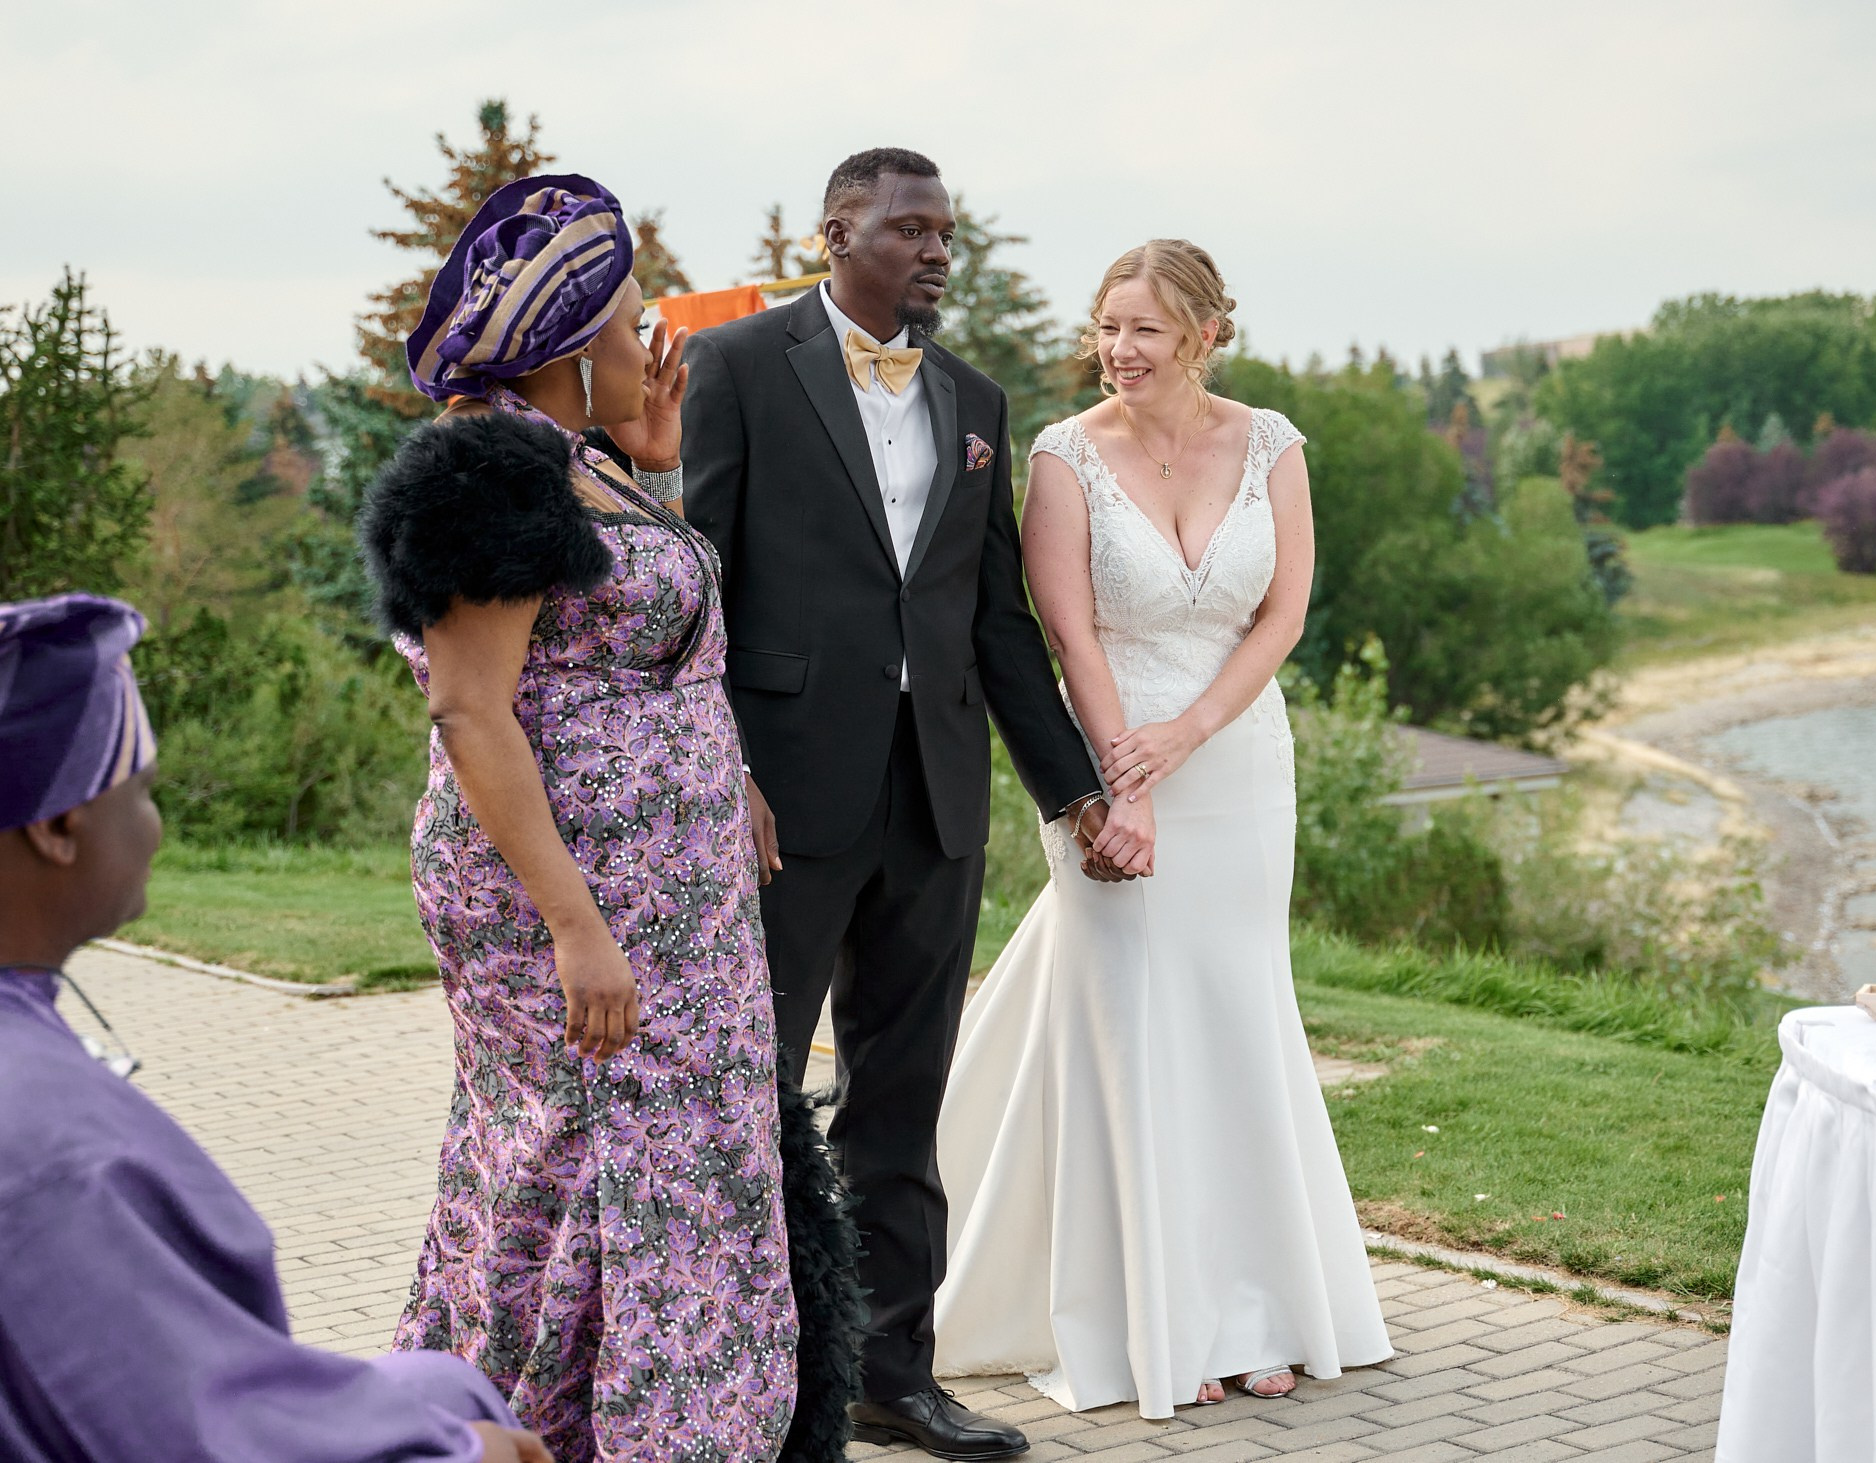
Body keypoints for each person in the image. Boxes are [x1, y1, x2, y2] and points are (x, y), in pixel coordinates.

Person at [358, 174, 857, 1463]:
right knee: (581, 1170)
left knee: (689, 1163)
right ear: (575, 349)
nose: (655, 343)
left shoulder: (585, 466)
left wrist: (658, 472)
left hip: (673, 905)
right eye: (635, 325)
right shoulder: (492, 472)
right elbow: (472, 713)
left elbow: (643, 647)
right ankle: (544, 1435)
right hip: (572, 905)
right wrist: (576, 925)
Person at [679, 147, 1142, 1460]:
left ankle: (896, 1376)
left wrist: (1078, 794)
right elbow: (695, 586)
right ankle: (755, 1382)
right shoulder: (738, 369)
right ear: (839, 232)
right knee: (754, 1096)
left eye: (947, 233)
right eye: (910, 230)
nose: (937, 251)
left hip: (935, 801)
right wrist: (727, 772)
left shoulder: (975, 397)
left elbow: (995, 622)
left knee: (902, 1100)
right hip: (781, 804)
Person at [930, 241, 1395, 1417]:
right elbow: (1068, 634)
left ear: (1200, 332)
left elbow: (1282, 611)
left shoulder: (1272, 443)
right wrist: (1117, 786)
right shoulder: (1060, 458)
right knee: (1135, 1027)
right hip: (1108, 760)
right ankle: (1156, 1315)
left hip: (1237, 761)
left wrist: (1190, 733)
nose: (1118, 350)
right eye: (1106, 326)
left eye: (1142, 328)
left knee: (1237, 1017)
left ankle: (1258, 1307)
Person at [0, 592, 551, 1463]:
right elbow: (191, 1437)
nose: (156, 825)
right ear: (61, 823)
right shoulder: (59, 1156)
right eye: (140, 790)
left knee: (438, 1380)